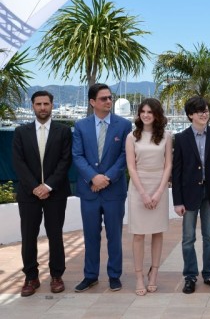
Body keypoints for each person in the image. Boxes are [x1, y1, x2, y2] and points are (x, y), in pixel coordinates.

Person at [72, 83, 132, 293]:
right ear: (92, 102)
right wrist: (93, 178)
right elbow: (77, 156)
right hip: (89, 191)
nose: (108, 101)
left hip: (113, 190)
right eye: (103, 98)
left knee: (114, 235)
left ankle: (114, 276)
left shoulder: (124, 125)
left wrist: (106, 178)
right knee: (90, 235)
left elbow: (125, 156)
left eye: (110, 98)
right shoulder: (81, 126)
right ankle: (90, 276)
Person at [12, 90, 72, 297]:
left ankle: (56, 275)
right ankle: (31, 277)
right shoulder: (21, 132)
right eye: (38, 104)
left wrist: (48, 186)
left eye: (46, 103)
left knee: (55, 235)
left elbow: (65, 161)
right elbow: (18, 163)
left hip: (56, 193)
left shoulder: (63, 131)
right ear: (32, 106)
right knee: (28, 236)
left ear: (52, 105)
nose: (43, 107)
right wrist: (35, 187)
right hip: (29, 194)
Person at [172, 96, 210, 294]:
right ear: (190, 115)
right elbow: (176, 173)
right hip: (189, 195)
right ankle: (190, 276)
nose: (205, 114)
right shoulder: (182, 138)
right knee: (188, 238)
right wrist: (177, 201)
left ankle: (209, 274)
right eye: (200, 111)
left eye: (206, 110)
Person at [125, 98, 172, 296]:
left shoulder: (167, 136)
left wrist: (159, 192)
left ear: (157, 115)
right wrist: (144, 194)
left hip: (159, 186)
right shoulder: (131, 137)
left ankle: (154, 274)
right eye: (142, 111)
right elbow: (131, 167)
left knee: (157, 233)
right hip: (138, 188)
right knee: (138, 234)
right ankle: (138, 277)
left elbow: (168, 165)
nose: (145, 115)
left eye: (150, 112)